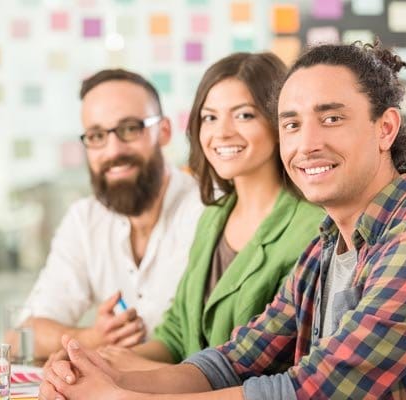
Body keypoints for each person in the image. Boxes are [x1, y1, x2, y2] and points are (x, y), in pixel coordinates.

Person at [39, 41, 406, 399]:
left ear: (385, 128)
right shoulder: (327, 245)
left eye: (332, 118)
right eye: (291, 124)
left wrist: (118, 396)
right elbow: (234, 360)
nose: (307, 144)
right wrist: (104, 374)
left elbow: (309, 391)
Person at [96, 53, 324, 371]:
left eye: (243, 115)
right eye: (209, 117)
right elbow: (176, 335)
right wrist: (100, 360)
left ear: (279, 122)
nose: (222, 133)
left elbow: (264, 366)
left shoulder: (312, 228)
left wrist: (127, 375)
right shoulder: (212, 217)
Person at [20, 69, 203, 359]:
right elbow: (21, 336)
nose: (113, 150)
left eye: (130, 129)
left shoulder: (206, 211)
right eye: (96, 135)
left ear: (164, 131)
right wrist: (92, 337)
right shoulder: (86, 219)